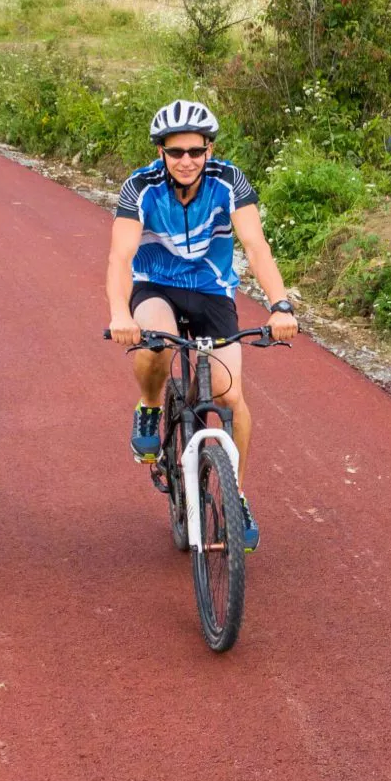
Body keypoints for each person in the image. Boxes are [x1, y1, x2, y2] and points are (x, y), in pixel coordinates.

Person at [105, 99, 297, 547]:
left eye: (195, 150)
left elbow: (255, 245)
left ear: (209, 148)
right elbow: (120, 256)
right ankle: (151, 405)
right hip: (156, 284)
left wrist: (281, 304)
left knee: (230, 395)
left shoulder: (229, 181)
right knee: (156, 344)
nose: (186, 161)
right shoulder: (139, 187)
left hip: (212, 290)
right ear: (161, 153)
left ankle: (237, 495)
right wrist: (119, 312)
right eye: (176, 152)